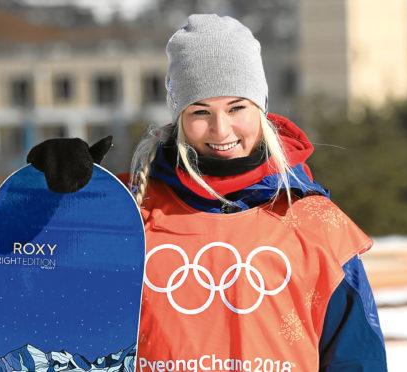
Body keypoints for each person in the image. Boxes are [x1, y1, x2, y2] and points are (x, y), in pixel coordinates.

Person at [28, 14, 387, 372]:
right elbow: (46, 283)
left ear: (260, 109)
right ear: (178, 117)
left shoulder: (315, 224)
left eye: (236, 108)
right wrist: (54, 199)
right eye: (200, 111)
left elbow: (355, 358)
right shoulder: (128, 211)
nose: (220, 129)